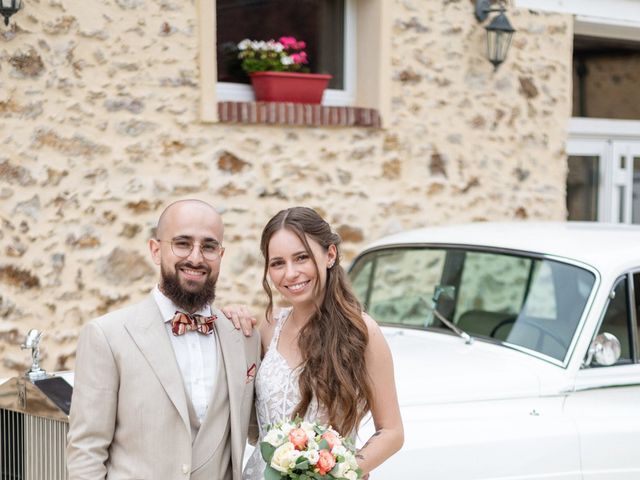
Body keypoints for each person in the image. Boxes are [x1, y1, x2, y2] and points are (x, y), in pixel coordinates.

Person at [67, 199, 261, 480]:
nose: (196, 258)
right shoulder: (107, 336)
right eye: (182, 243)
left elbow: (262, 430)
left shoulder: (244, 337)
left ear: (220, 254)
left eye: (208, 246)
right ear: (155, 250)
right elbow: (86, 451)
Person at [243, 207, 404, 479]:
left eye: (301, 258)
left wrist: (339, 471)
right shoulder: (269, 327)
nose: (290, 273)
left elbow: (392, 432)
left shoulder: (362, 332)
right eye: (278, 263)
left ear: (330, 255)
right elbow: (252, 425)